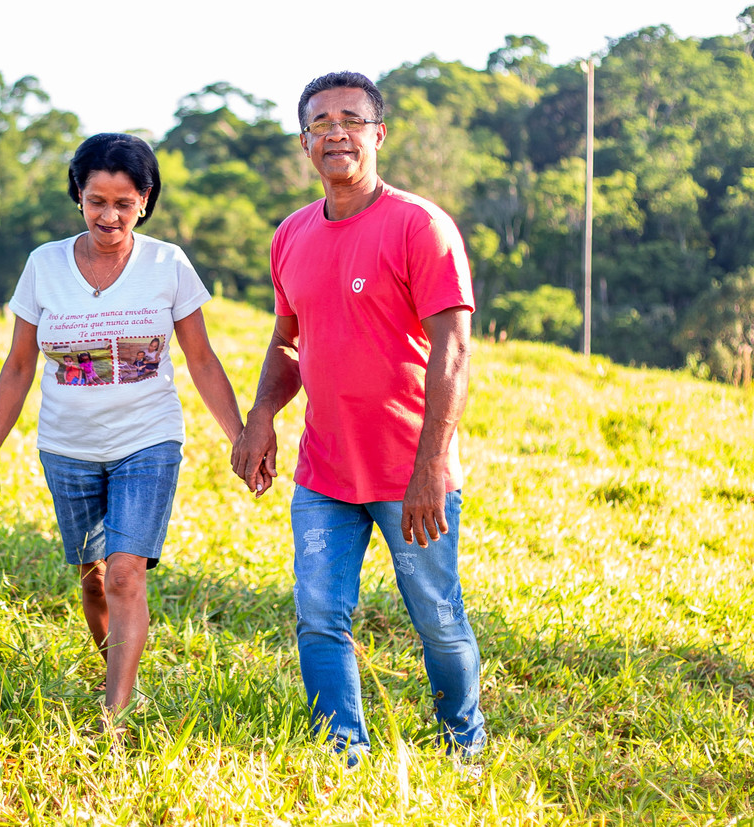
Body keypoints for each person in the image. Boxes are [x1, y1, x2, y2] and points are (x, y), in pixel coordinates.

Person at [231, 72, 486, 763]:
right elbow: (289, 339)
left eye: (350, 119)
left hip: (411, 472)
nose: (334, 132)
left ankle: (464, 749)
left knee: (435, 617)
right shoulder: (291, 235)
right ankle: (343, 756)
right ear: (305, 142)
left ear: (378, 133)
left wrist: (434, 462)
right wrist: (260, 417)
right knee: (318, 617)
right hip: (324, 471)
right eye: (318, 123)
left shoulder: (419, 225)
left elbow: (453, 351)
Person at [0, 133, 244, 726]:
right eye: (97, 200)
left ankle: (113, 718)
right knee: (93, 581)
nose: (109, 215)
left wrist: (239, 435)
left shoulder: (168, 264)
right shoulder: (44, 265)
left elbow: (200, 359)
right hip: (66, 447)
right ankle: (115, 676)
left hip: (147, 439)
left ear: (144, 200)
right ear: (78, 197)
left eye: (124, 202)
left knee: (125, 572)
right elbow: (18, 367)